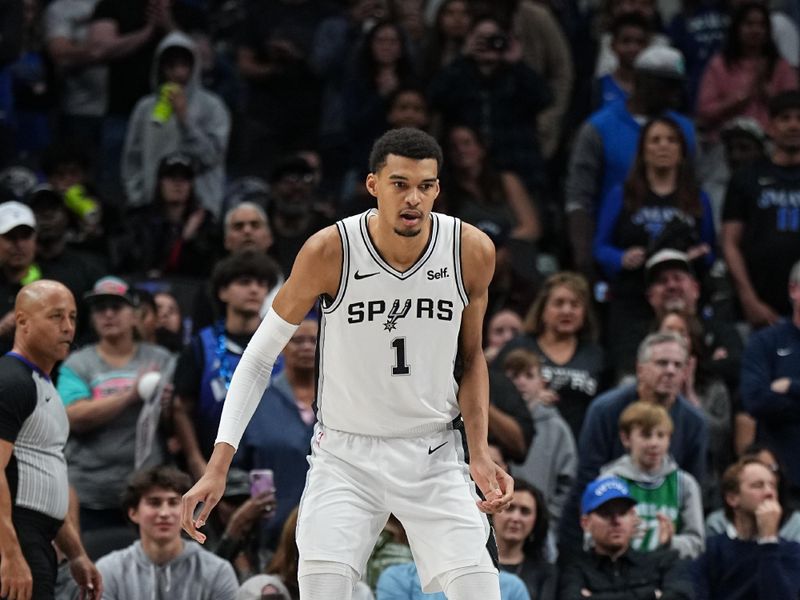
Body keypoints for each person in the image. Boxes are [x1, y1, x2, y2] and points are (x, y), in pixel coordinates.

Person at [182, 127, 514, 600]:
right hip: (345, 455)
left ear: (438, 189)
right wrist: (219, 464)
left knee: (481, 592)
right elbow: (257, 357)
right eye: (400, 184)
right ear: (374, 185)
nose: (413, 199)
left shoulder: (470, 250)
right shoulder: (330, 251)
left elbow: (471, 357)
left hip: (434, 452)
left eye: (425, 186)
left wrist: (479, 451)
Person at [559, 332, 707, 554]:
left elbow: (693, 485)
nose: (670, 371)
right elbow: (587, 481)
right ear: (640, 368)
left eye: (678, 365)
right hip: (606, 539)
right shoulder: (605, 410)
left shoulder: (695, 422)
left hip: (666, 549)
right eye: (662, 363)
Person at [0, 280, 102, 600]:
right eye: (56, 316)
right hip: (15, 536)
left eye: (72, 317)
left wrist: (77, 554)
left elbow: (45, 481)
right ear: (23, 322)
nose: (68, 327)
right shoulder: (11, 381)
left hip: (38, 537)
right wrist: (11, 555)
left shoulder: (43, 386)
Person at [593, 116, 715, 378]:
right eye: (655, 140)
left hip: (679, 301)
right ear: (643, 150)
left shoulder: (696, 197)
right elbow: (600, 247)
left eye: (671, 140)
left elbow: (711, 248)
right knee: (629, 373)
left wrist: (698, 256)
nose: (663, 146)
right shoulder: (622, 194)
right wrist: (621, 257)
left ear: (682, 151)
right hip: (631, 298)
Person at [57, 275, 173, 550]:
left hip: (146, 492)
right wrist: (130, 396)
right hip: (90, 494)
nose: (108, 314)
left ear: (135, 315)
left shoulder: (160, 359)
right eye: (100, 308)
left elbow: (173, 424)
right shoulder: (77, 363)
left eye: (116, 307)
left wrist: (169, 407)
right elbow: (73, 416)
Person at [565, 45, 696, 276]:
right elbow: (579, 198)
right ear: (641, 80)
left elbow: (694, 189)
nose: (673, 94)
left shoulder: (684, 130)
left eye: (677, 86)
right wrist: (584, 257)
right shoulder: (599, 128)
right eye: (666, 85)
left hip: (674, 263)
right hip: (615, 257)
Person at [173, 252, 276, 480]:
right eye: (245, 282)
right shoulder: (200, 345)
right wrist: (196, 462)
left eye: (261, 284)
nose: (255, 290)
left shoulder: (282, 342)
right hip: (215, 466)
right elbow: (181, 408)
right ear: (222, 292)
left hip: (275, 464)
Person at [121, 31, 231, 218]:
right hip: (151, 208)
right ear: (161, 68)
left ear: (194, 66)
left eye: (184, 65)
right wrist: (137, 199)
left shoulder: (212, 106)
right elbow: (132, 159)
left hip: (200, 210)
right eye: (171, 66)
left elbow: (211, 157)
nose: (178, 73)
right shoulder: (145, 108)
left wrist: (185, 120)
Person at [235, 313, 318, 549]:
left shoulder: (342, 399)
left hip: (333, 532)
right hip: (269, 538)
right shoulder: (256, 401)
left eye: (314, 341)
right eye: (297, 340)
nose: (306, 347)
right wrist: (253, 499)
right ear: (281, 346)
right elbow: (234, 470)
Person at [96, 465, 238, 600]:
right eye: (154, 503)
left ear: (188, 510)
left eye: (173, 502)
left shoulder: (218, 571)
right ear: (133, 513)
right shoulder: (108, 571)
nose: (164, 513)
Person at [494, 271, 605, 440]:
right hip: (524, 446)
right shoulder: (518, 347)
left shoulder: (596, 355)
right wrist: (527, 399)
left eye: (575, 304)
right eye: (558, 303)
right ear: (543, 309)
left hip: (579, 447)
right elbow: (492, 392)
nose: (567, 310)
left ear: (584, 312)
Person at [722, 90, 800, 326]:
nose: (793, 125)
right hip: (757, 308)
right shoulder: (746, 178)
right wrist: (749, 298)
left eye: (799, 118)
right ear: (771, 126)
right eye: (784, 118)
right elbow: (729, 243)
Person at [599, 401, 705, 558]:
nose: (654, 443)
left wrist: (670, 542)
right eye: (646, 435)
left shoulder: (685, 484)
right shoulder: (609, 481)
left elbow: (697, 543)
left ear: (669, 439)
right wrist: (618, 538)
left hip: (668, 573)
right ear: (626, 438)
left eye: (661, 435)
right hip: (618, 573)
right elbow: (590, 539)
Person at [559, 477, 694, 599]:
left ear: (634, 518)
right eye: (606, 513)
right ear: (585, 523)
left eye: (623, 512)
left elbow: (681, 596)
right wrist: (650, 594)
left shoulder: (662, 563)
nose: (616, 521)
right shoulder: (574, 568)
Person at [691, 458, 800, 598]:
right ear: (732, 498)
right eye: (758, 485)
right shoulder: (711, 550)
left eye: (773, 486)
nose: (769, 493)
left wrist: (768, 541)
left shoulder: (791, 551)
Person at [740, 259, 800, 497]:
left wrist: (792, 387)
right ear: (794, 290)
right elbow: (755, 400)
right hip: (779, 483)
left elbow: (770, 399)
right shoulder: (765, 342)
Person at [502, 348, 576, 529]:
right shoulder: (492, 424)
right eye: (514, 376)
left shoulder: (557, 429)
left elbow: (568, 481)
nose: (521, 382)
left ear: (542, 382)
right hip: (495, 519)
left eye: (529, 375)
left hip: (541, 526)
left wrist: (547, 516)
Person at [493, 478, 557, 600]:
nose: (516, 518)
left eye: (525, 511)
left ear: (536, 521)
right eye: (509, 508)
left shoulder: (546, 572)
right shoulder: (473, 562)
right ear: (493, 512)